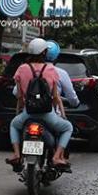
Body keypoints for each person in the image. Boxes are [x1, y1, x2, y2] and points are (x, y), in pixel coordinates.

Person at [6, 38, 72, 168]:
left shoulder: (22, 69)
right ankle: (57, 157)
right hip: (48, 114)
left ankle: (16, 154)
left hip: (28, 113)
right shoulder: (51, 69)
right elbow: (55, 97)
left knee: (13, 125)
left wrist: (18, 112)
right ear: (44, 53)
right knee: (68, 127)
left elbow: (19, 96)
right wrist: (63, 115)